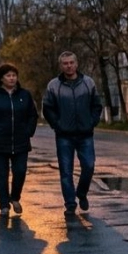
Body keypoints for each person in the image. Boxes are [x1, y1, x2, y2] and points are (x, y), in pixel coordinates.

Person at [42, 51, 104, 216]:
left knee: (89, 166)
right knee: (66, 171)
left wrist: (92, 122)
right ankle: (70, 203)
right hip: (64, 135)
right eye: (65, 63)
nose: (68, 66)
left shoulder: (88, 83)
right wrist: (57, 125)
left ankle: (81, 193)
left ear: (76, 64)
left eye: (71, 63)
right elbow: (47, 108)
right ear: (61, 66)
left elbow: (97, 105)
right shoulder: (54, 85)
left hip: (85, 134)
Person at [0, 64, 39, 218]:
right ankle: (4, 205)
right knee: (1, 174)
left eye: (14, 75)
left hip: (21, 141)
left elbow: (32, 115)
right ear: (1, 78)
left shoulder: (24, 95)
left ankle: (15, 197)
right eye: (8, 75)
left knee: (20, 171)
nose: (12, 78)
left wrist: (28, 131)